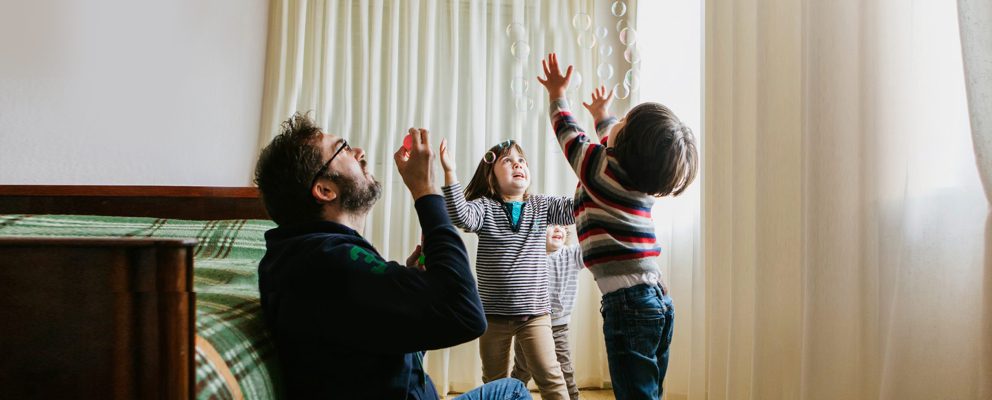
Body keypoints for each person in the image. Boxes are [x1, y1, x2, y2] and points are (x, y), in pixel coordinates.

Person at [254, 113, 531, 400]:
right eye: (343, 148)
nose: (360, 152)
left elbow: (383, 339)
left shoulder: (306, 257)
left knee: (512, 388)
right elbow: (467, 314)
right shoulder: (329, 262)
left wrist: (412, 289)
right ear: (325, 190)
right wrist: (426, 190)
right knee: (513, 392)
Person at [536, 53, 699, 399]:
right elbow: (616, 140)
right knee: (649, 391)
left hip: (629, 305)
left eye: (622, 120)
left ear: (624, 145)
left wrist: (557, 94)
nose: (615, 122)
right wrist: (602, 116)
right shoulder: (637, 181)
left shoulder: (599, 168)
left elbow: (570, 136)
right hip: (657, 298)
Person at [438, 138, 573, 400]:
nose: (517, 164)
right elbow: (460, 216)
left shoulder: (541, 206)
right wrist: (450, 172)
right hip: (492, 317)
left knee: (550, 376)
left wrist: (589, 173)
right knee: (494, 381)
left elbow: (574, 208)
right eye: (507, 161)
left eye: (521, 160)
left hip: (535, 314)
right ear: (491, 174)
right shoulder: (484, 208)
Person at [511, 225, 584, 400]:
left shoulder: (572, 254)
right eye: (550, 225)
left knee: (565, 370)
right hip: (529, 325)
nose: (558, 229)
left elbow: (591, 246)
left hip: (558, 326)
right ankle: (510, 396)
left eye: (562, 226)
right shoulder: (529, 255)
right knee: (522, 369)